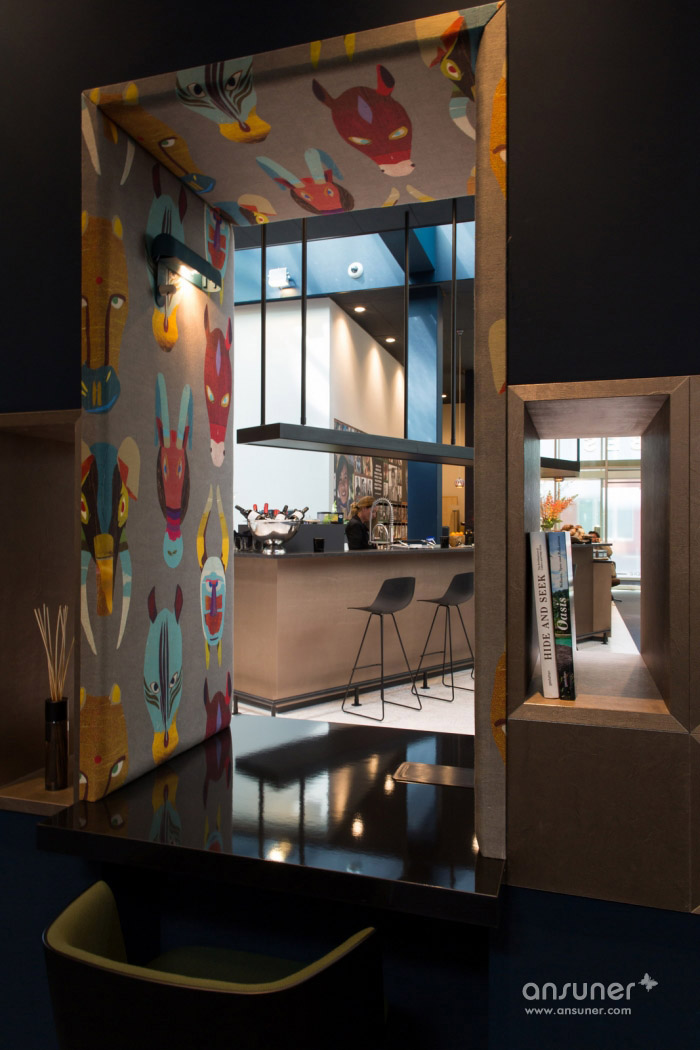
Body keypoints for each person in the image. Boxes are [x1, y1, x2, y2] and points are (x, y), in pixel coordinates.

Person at [334, 455, 352, 520]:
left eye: (345, 477)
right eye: (340, 479)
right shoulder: (333, 508)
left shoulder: (354, 507)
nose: (343, 485)